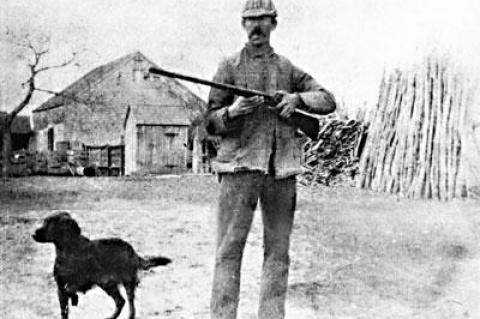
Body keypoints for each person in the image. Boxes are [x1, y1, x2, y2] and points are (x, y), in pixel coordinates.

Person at [206, 0, 336, 318]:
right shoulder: (229, 67)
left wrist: (297, 99)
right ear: (242, 26)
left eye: (263, 21)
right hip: (239, 170)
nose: (256, 28)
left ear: (274, 24)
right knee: (228, 252)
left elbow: (327, 100)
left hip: (281, 172)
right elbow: (207, 122)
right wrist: (231, 113)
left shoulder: (287, 68)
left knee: (278, 253)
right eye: (250, 21)